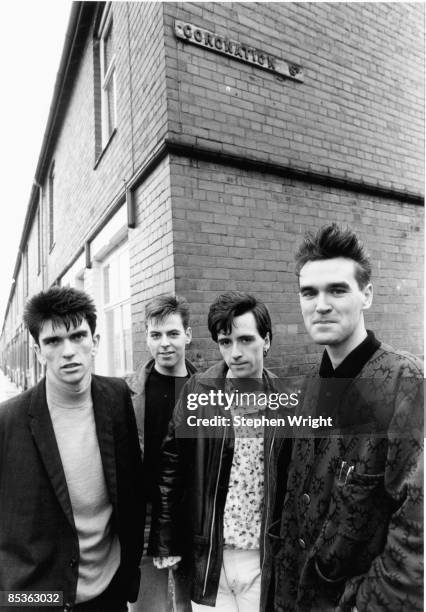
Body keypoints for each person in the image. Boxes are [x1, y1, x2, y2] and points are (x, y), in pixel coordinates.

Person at [262, 224, 423, 611]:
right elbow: (290, 511)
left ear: (366, 295)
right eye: (309, 292)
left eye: (337, 289)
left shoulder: (406, 384)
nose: (321, 304)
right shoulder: (305, 392)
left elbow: (417, 541)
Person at [0, 286, 145, 612]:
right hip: (40, 597)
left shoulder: (116, 396)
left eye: (78, 336)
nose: (68, 351)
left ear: (94, 342)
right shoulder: (8, 421)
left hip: (109, 592)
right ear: (39, 351)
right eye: (53, 341)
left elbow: (132, 489)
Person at [152, 291, 277, 611]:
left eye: (246, 339)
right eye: (225, 342)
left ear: (266, 340)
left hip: (262, 560)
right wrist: (165, 540)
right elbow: (171, 467)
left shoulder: (286, 398)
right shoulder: (198, 391)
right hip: (211, 557)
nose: (235, 352)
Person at [131, 295, 196, 612]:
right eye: (155, 335)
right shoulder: (129, 394)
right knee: (148, 607)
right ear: (146, 338)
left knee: (188, 606)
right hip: (145, 520)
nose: (164, 343)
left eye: (172, 333)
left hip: (192, 518)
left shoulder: (209, 391)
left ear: (188, 334)